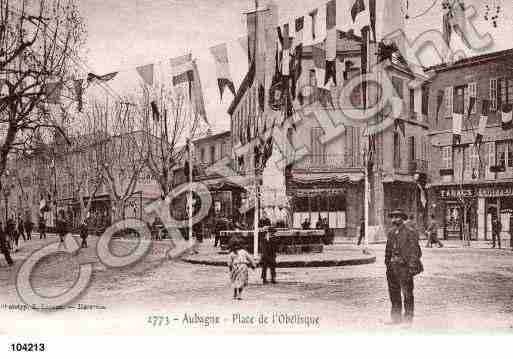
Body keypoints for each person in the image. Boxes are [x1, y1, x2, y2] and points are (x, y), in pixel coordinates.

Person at [385, 209, 423, 326]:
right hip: (392, 268)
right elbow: (388, 250)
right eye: (393, 217)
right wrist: (387, 264)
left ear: (402, 219)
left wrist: (411, 267)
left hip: (404, 268)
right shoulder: (391, 232)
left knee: (407, 294)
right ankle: (395, 318)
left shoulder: (410, 232)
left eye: (397, 217)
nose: (394, 219)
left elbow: (415, 251)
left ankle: (408, 320)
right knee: (394, 293)